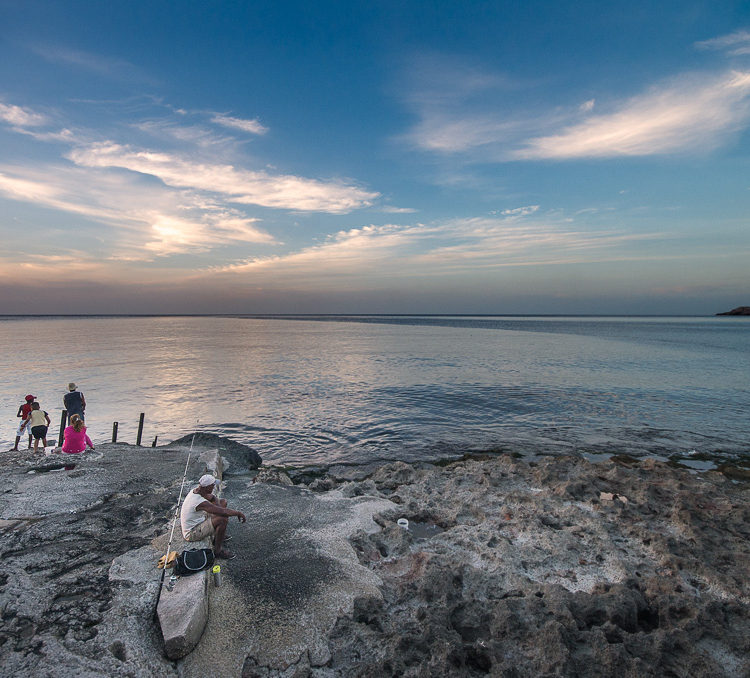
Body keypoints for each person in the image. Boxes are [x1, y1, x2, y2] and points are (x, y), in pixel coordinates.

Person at [180, 474, 245, 560]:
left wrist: (219, 507)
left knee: (223, 502)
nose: (214, 487)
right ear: (207, 487)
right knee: (222, 519)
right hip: (192, 532)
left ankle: (218, 536)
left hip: (199, 520)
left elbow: (213, 498)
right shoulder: (199, 501)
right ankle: (218, 551)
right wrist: (238, 513)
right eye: (213, 486)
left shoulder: (197, 491)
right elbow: (223, 512)